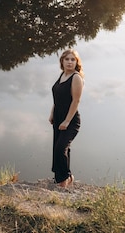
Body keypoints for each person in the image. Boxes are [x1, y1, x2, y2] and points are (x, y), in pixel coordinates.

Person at [49, 49, 84, 187]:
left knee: (60, 148)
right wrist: (52, 113)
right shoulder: (62, 75)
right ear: (62, 61)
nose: (70, 62)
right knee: (61, 149)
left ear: (76, 62)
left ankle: (64, 179)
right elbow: (57, 98)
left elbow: (76, 101)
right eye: (67, 59)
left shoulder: (76, 78)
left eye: (73, 60)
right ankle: (64, 177)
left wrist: (67, 121)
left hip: (71, 119)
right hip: (58, 117)